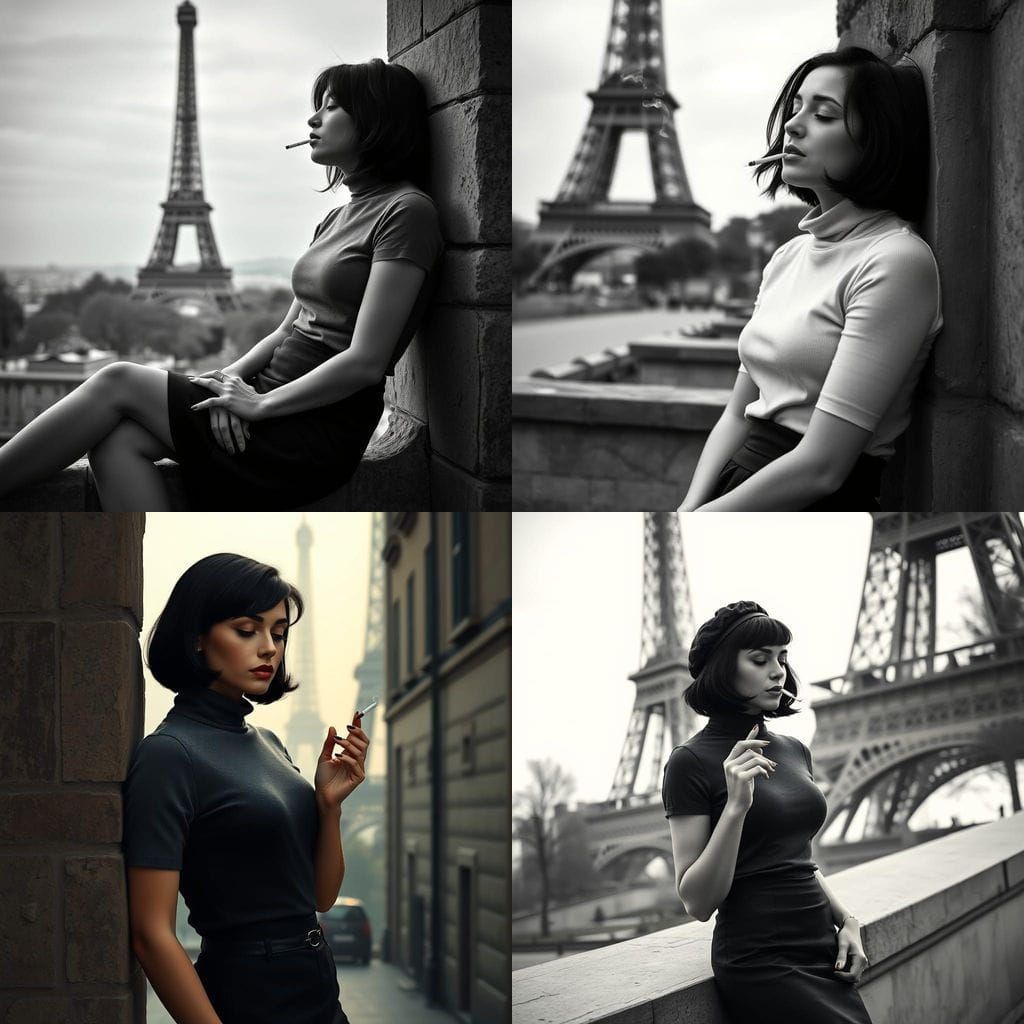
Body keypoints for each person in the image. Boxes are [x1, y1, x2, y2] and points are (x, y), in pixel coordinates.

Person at [0, 58, 443, 510]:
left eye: (331, 108)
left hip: (311, 424)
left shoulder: (407, 213)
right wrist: (226, 381)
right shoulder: (337, 217)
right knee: (118, 444)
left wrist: (259, 406)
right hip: (269, 395)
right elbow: (286, 331)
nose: (313, 118)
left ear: (375, 122)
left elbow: (365, 362)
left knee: (117, 379)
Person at [679, 46, 943, 511]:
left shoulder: (895, 260)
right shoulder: (787, 256)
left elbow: (823, 466)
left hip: (807, 502)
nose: (792, 125)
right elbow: (738, 415)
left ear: (877, 139)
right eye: (795, 107)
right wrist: (689, 510)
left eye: (824, 114)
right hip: (735, 490)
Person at [123, 553, 368, 1024]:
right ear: (196, 637)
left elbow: (319, 898)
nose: (270, 649)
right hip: (249, 994)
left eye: (278, 634)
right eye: (246, 630)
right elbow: (150, 935)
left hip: (317, 985)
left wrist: (329, 807)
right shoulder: (170, 754)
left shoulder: (271, 744)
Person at [662, 601, 873, 1023]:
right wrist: (736, 806)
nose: (778, 671)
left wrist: (846, 920)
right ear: (724, 669)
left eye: (782, 658)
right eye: (760, 660)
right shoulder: (689, 762)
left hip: (822, 947)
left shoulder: (795, 751)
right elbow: (697, 901)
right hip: (762, 959)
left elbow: (796, 858)